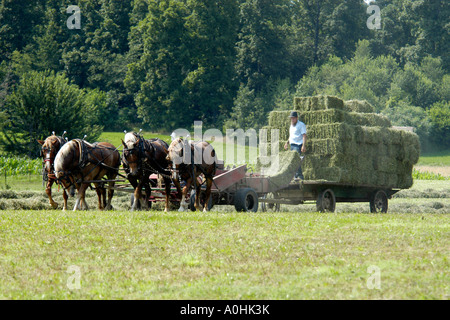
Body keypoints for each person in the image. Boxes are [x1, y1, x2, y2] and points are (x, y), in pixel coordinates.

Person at [284, 111, 307, 180]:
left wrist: (303, 145)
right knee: (293, 161)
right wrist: (287, 143)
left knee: (296, 160)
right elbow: (291, 136)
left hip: (298, 145)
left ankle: (300, 176)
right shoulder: (291, 125)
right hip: (292, 145)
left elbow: (304, 136)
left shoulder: (301, 125)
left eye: (293, 118)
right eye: (291, 118)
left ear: (297, 118)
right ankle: (295, 176)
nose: (292, 119)